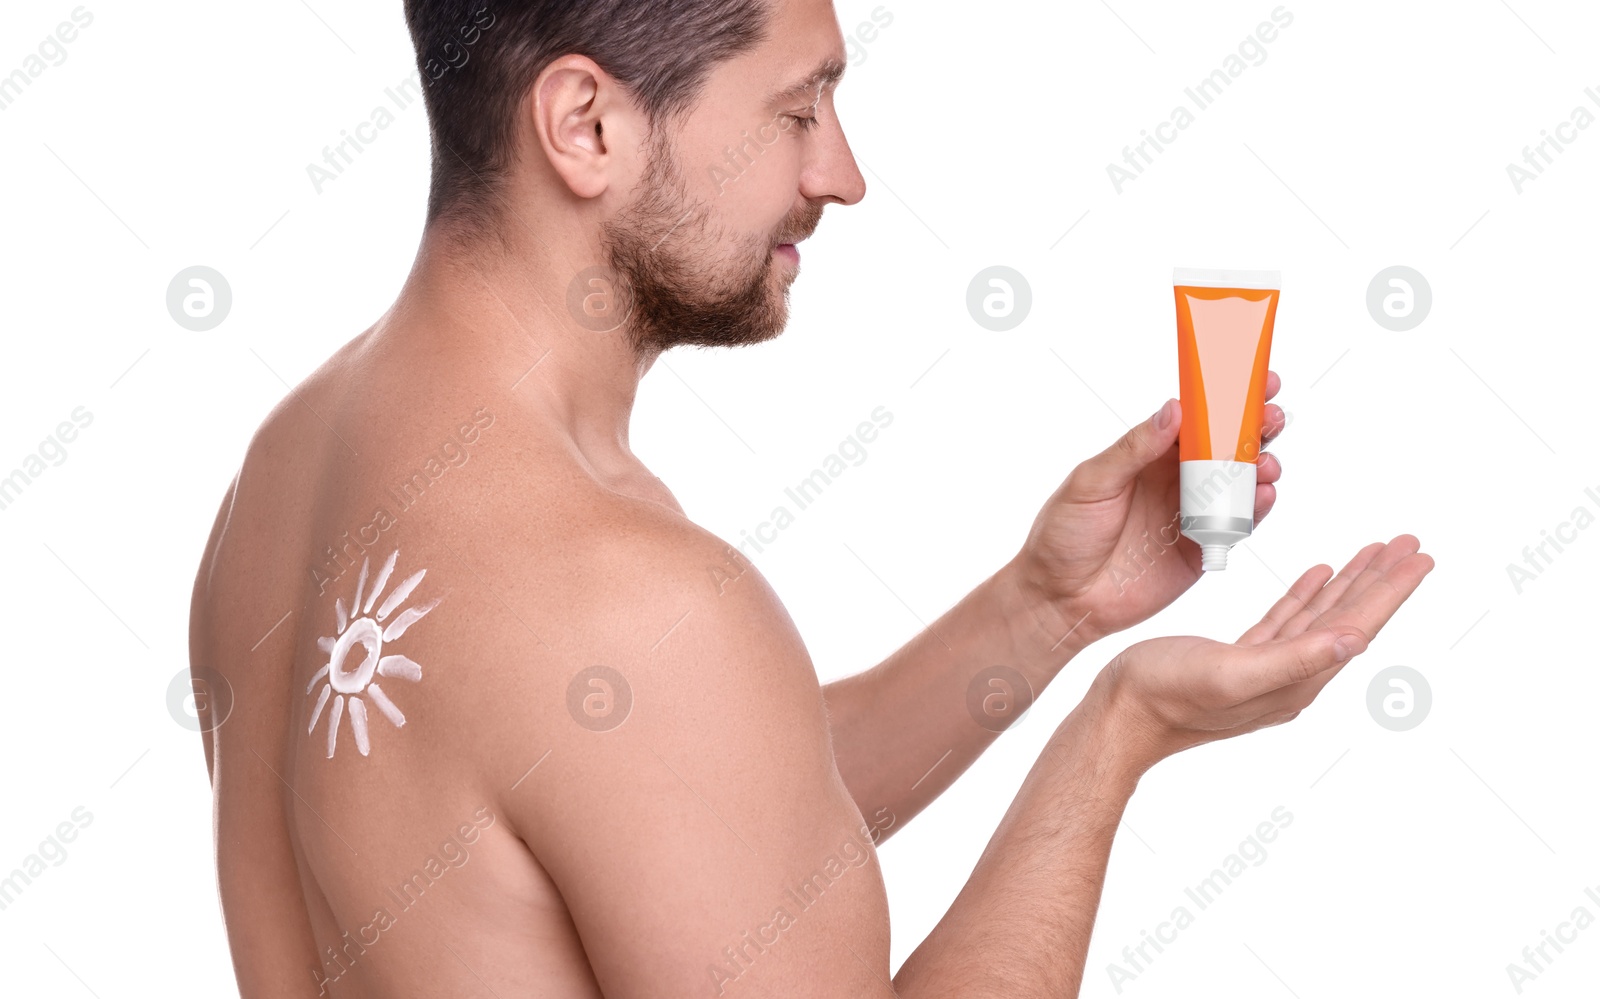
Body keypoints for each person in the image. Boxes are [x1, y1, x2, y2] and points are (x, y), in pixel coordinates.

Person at [186, 0, 1435, 994]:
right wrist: (1120, 731)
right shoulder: (623, 593)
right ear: (586, 125)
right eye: (800, 106)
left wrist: (1040, 613)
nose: (841, 175)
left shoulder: (286, 467)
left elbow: (642, 799)